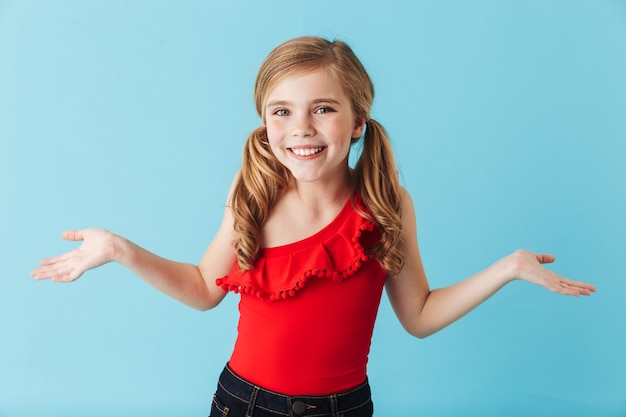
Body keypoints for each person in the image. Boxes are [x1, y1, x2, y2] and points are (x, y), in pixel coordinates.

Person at [31, 36, 595, 417]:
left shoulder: (388, 204)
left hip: (344, 408)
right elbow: (205, 290)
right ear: (265, 122)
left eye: (323, 108)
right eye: (282, 111)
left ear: (357, 123)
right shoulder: (251, 191)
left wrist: (507, 269)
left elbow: (419, 317)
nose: (301, 128)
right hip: (242, 404)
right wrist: (120, 250)